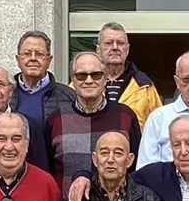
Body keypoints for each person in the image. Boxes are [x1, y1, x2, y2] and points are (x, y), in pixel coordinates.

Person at [48, 51, 143, 188]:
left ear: (105, 79)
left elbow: (135, 168)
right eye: (81, 75)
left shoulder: (125, 116)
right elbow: (47, 172)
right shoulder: (56, 120)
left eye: (96, 75)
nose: (88, 80)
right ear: (72, 81)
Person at [9, 32, 75, 172]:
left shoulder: (68, 97)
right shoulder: (5, 94)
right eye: (27, 53)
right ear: (18, 59)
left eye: (39, 54)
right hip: (11, 173)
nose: (33, 59)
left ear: (49, 60)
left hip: (54, 173)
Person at [96, 23, 164, 130]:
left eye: (120, 43)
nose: (115, 48)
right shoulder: (81, 85)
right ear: (98, 50)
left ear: (127, 50)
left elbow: (160, 128)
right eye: (108, 43)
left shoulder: (145, 87)